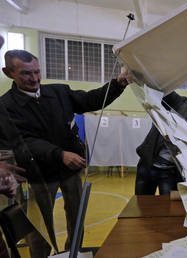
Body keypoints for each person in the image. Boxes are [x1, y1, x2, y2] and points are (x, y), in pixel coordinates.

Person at [1, 49, 130, 257]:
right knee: (39, 227)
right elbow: (25, 142)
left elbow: (91, 100)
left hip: (70, 171)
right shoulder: (5, 106)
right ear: (8, 73)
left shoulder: (59, 92)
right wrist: (60, 154)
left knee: (76, 219)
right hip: (39, 176)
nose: (34, 79)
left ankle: (74, 252)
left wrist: (118, 84)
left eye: (37, 72)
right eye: (26, 73)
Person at [135, 91, 187, 195]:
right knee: (142, 204)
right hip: (147, 163)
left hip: (170, 173)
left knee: (167, 209)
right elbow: (161, 88)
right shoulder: (180, 103)